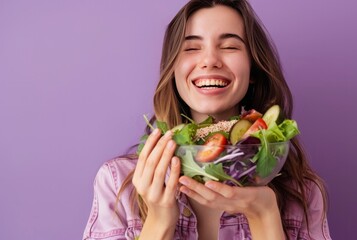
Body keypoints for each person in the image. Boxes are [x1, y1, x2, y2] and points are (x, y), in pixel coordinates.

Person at [83, 0, 332, 239]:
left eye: (229, 46)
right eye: (191, 48)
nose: (210, 60)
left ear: (253, 69)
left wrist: (264, 216)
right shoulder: (118, 183)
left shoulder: (303, 192)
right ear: (173, 70)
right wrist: (159, 222)